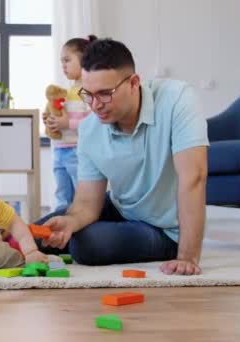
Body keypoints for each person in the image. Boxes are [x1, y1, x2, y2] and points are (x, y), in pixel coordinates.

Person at [38, 38, 209, 276]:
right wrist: (71, 222)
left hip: (163, 228)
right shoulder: (89, 129)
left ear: (134, 83)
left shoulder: (178, 99)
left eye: (105, 94)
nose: (95, 105)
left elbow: (194, 177)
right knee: (40, 232)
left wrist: (188, 257)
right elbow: (87, 203)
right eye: (88, 95)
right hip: (123, 208)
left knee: (87, 245)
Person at [45, 36, 96, 211]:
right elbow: (61, 117)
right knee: (62, 195)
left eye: (67, 60)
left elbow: (93, 122)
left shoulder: (87, 91)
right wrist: (51, 120)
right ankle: (60, 224)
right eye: (62, 62)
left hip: (77, 151)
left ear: (84, 60)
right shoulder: (66, 92)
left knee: (80, 196)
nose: (63, 65)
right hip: (60, 150)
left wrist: (67, 123)